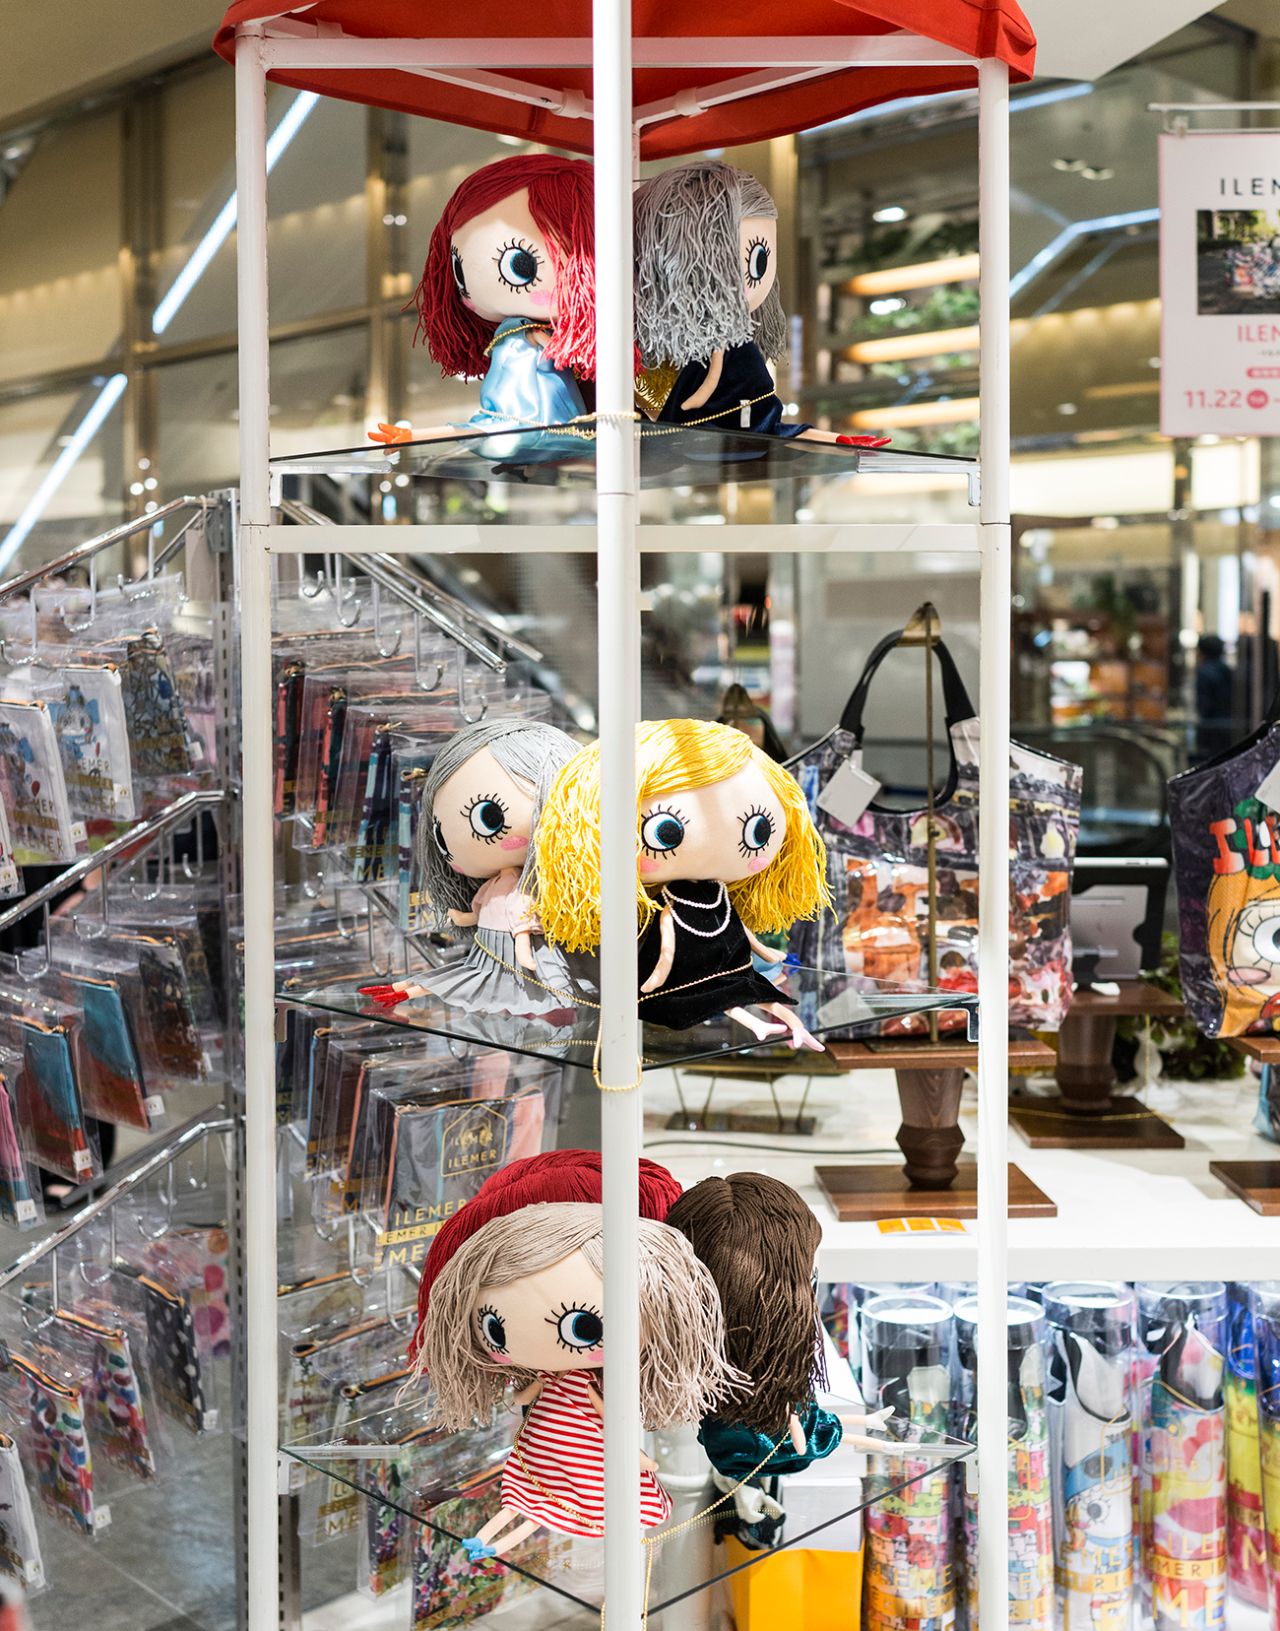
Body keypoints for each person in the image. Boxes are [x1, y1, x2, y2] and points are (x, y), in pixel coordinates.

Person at [1194, 634, 1235, 761]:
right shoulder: (1227, 669)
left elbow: (1204, 703)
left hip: (1211, 725)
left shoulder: (1203, 671)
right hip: (1229, 724)